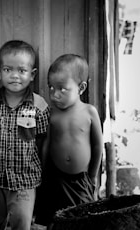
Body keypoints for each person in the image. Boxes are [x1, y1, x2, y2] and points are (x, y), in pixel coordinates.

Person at [0, 40, 50, 230]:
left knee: (22, 224)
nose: (15, 76)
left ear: (32, 74)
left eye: (22, 70)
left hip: (25, 181)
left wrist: (41, 171)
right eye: (8, 70)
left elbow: (43, 141)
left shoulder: (39, 105)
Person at [36, 54, 103, 227]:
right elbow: (46, 144)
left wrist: (93, 177)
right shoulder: (51, 113)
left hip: (80, 180)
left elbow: (97, 146)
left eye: (62, 89)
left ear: (81, 87)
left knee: (81, 220)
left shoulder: (89, 112)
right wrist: (42, 173)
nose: (54, 94)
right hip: (54, 178)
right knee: (53, 219)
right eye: (51, 87)